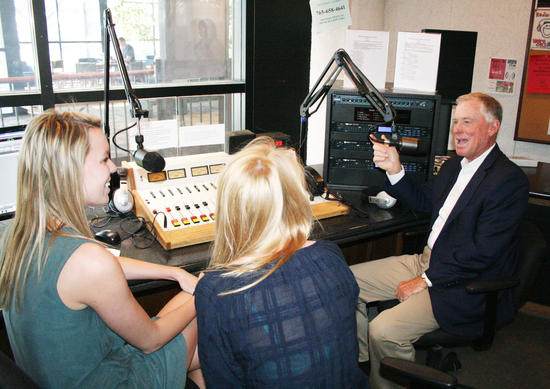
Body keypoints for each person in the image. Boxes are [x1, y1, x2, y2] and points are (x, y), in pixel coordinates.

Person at [0, 110, 203, 389]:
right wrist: (204, 292)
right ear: (67, 170)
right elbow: (152, 340)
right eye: (103, 159)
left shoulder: (13, 235)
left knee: (187, 298)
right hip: (116, 380)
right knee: (201, 317)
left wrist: (173, 273)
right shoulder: (89, 261)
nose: (112, 167)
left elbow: (101, 265)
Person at [350, 92, 529, 389]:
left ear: (492, 127)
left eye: (467, 122)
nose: (457, 129)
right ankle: (370, 364)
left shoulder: (508, 180)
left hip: (461, 280)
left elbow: (483, 253)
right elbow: (423, 201)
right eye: (456, 122)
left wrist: (425, 280)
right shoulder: (453, 166)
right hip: (428, 259)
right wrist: (395, 168)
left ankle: (391, 381)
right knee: (345, 282)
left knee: (384, 329)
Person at [194, 137, 369, 388]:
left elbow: (223, 381)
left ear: (229, 209)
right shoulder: (330, 256)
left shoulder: (216, 290)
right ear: (296, 198)